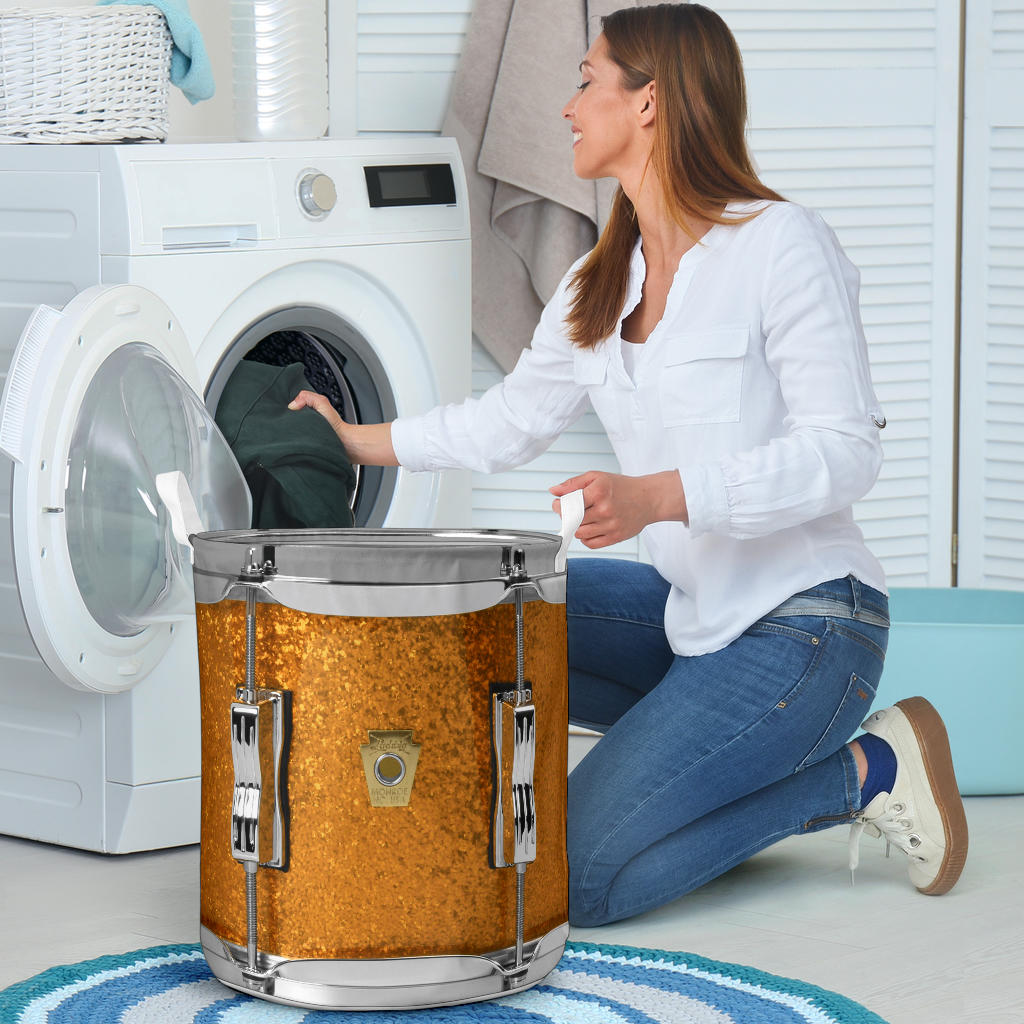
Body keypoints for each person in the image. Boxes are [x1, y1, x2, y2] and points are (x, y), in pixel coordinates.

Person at [289, 2, 968, 927]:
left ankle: (866, 773)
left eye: (586, 81)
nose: (566, 107)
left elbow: (846, 454)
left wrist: (660, 497)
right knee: (486, 619)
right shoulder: (597, 281)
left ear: (649, 103)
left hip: (809, 627)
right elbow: (510, 422)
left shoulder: (779, 244)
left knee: (578, 881)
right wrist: (362, 438)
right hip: (694, 619)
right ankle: (636, 774)